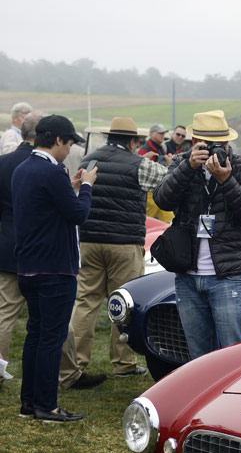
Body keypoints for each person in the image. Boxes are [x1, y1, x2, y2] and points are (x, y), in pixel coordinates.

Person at [61, 116, 168, 388]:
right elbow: (166, 184)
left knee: (85, 301)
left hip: (88, 240)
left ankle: (78, 362)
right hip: (124, 242)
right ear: (133, 142)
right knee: (125, 304)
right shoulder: (140, 164)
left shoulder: (89, 160)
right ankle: (123, 363)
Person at [152, 110, 241, 359]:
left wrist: (227, 181)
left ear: (228, 142)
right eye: (208, 143)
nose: (217, 148)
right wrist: (188, 167)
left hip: (229, 275)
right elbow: (162, 199)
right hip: (188, 276)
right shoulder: (182, 163)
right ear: (195, 142)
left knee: (232, 355)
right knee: (198, 357)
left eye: (221, 143)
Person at [11, 115, 96, 422]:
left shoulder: (24, 169)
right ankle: (47, 406)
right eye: (70, 143)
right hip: (55, 268)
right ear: (59, 140)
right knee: (51, 338)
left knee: (35, 335)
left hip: (28, 266)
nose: (70, 149)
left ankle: (28, 403)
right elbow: (78, 214)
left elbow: (47, 207)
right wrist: (86, 187)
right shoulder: (51, 171)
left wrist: (68, 187)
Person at [0, 111, 43, 374]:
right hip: (40, 247)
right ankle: (68, 371)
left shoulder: (3, 162)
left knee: (5, 313)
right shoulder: (46, 165)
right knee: (54, 314)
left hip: (8, 243)